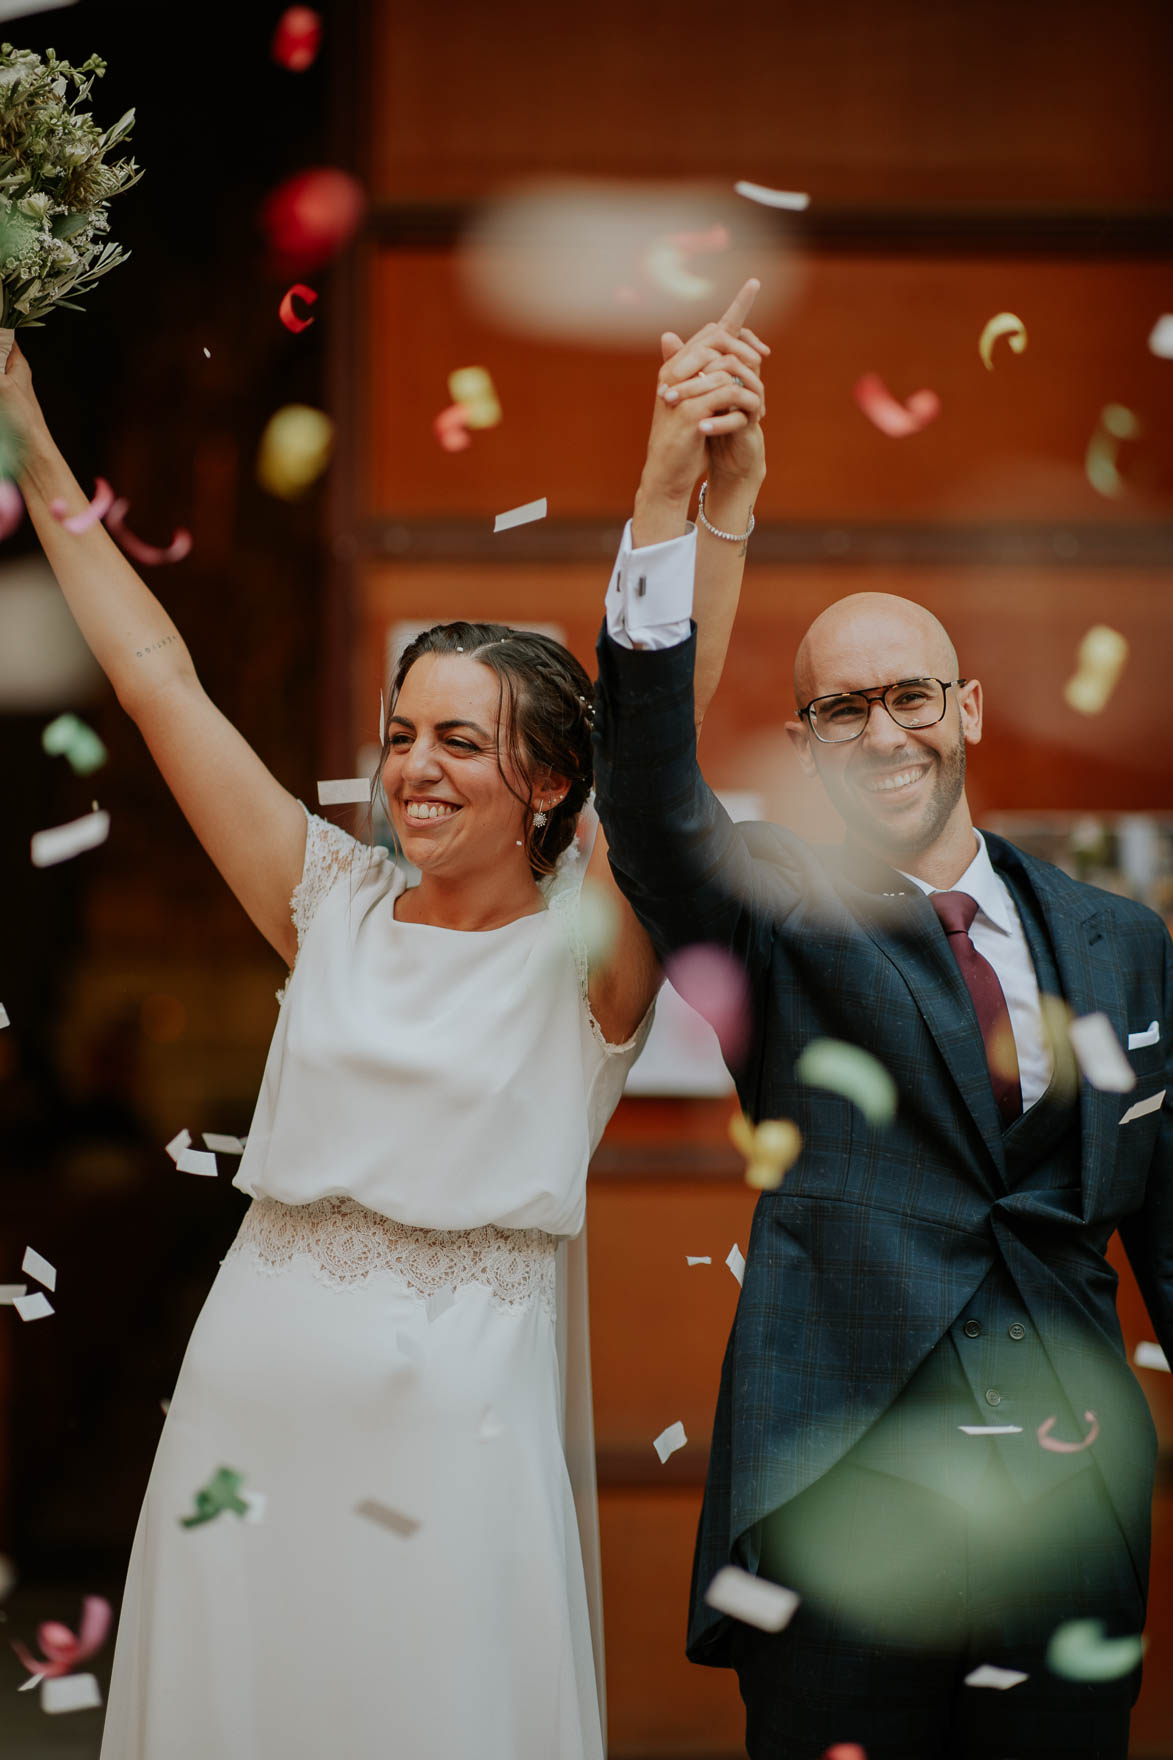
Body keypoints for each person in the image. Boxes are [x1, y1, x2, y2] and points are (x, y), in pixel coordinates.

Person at [0, 289, 767, 1760]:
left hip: (456, 1429)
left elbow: (660, 733)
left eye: (459, 741)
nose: (413, 767)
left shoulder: (588, 959)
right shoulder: (326, 903)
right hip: (251, 1396)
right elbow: (157, 681)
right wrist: (26, 429)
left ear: (547, 785)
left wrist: (679, 490)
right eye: (401, 733)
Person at [592, 335, 1172, 1759]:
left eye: (908, 695)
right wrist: (671, 489)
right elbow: (649, 792)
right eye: (840, 709)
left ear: (964, 709)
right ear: (806, 739)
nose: (882, 732)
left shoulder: (1120, 941)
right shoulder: (775, 911)